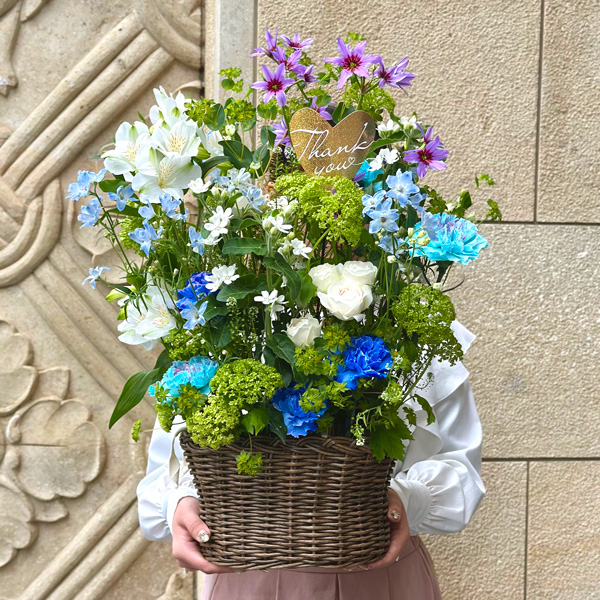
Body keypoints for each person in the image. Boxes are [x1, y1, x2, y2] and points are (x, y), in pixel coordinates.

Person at [137, 321, 486, 599]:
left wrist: (407, 500)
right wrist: (180, 505)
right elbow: (163, 477)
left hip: (379, 577)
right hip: (248, 578)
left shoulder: (415, 331)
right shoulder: (220, 324)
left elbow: (462, 468)